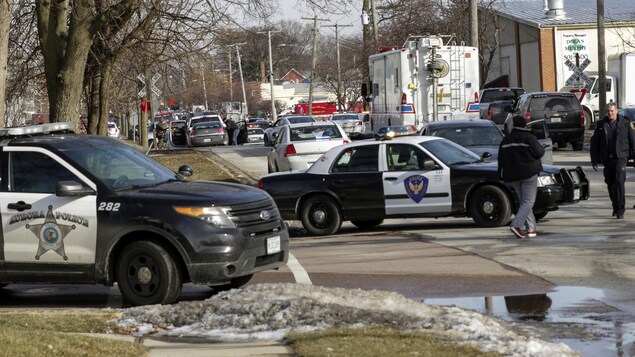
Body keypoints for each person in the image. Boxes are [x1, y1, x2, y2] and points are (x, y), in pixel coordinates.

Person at [498, 115, 545, 239]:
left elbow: (500, 160)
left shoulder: (505, 140)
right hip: (529, 173)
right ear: (525, 125)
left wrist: (500, 175)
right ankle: (516, 224)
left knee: (524, 203)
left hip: (512, 175)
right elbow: (540, 152)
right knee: (528, 202)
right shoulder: (529, 138)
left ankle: (531, 229)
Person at [590, 102, 635, 219]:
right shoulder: (601, 125)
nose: (610, 113)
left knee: (619, 181)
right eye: (608, 111)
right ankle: (615, 206)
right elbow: (594, 143)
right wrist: (594, 159)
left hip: (621, 157)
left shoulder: (626, 123)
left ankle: (620, 209)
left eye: (612, 111)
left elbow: (633, 141)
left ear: (617, 111)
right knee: (610, 183)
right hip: (607, 159)